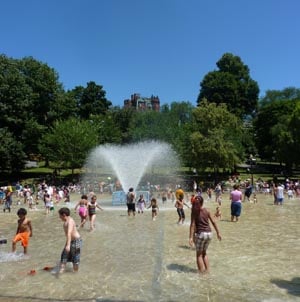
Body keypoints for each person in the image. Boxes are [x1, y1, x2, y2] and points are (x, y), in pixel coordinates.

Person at [189, 195, 221, 274]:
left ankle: (202, 273)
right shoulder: (207, 210)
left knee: (199, 255)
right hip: (209, 234)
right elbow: (213, 222)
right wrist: (218, 232)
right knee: (204, 253)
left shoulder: (194, 212)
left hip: (201, 234)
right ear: (202, 203)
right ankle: (207, 271)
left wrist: (190, 237)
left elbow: (192, 225)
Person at [58, 207, 82, 273]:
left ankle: (75, 273)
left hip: (76, 241)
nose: (59, 217)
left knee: (75, 259)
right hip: (70, 241)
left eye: (60, 215)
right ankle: (60, 272)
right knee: (64, 256)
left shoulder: (70, 221)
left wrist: (68, 245)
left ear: (64, 215)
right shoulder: (66, 221)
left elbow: (69, 233)